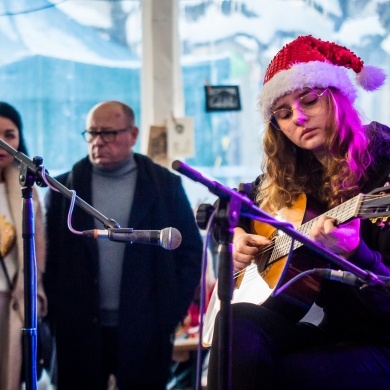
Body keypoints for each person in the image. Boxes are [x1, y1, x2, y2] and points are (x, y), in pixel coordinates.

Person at [207, 35, 390, 390]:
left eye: (309, 101)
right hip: (338, 332)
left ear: (338, 99)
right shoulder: (293, 176)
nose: (300, 118)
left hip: (383, 338)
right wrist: (234, 236)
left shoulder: (382, 166)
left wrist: (356, 255)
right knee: (234, 321)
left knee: (288, 374)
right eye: (284, 113)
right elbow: (226, 206)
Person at [43, 100, 203, 389]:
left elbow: (190, 253)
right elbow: (47, 261)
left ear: (133, 134)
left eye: (108, 133)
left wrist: (171, 312)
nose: (98, 142)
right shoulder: (64, 189)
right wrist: (55, 316)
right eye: (91, 133)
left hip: (147, 327)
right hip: (77, 328)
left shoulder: (164, 186)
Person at [0, 102, 47, 390]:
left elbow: (37, 252)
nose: (3, 143)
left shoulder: (26, 191)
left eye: (10, 134)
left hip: (13, 303)